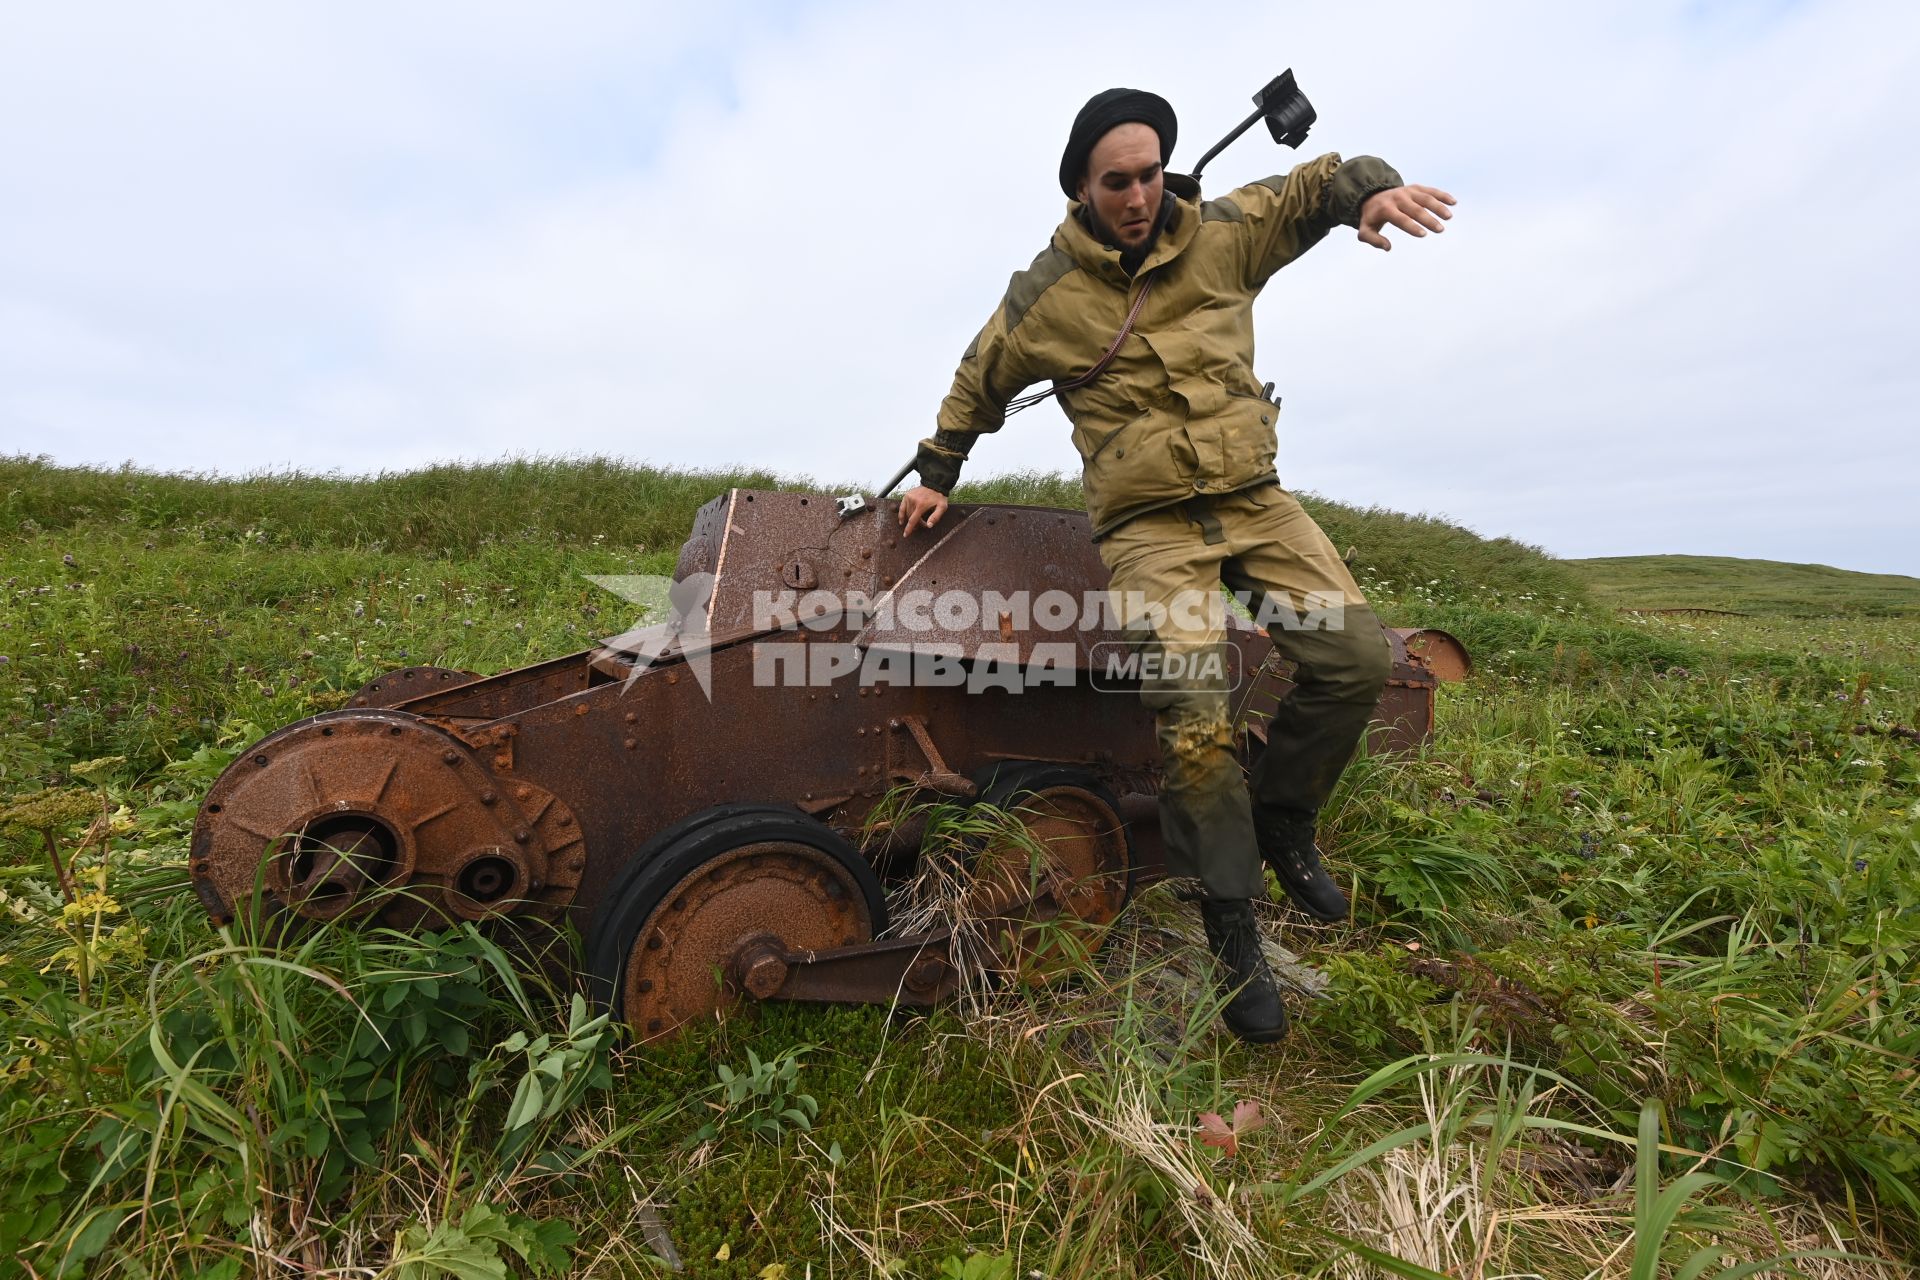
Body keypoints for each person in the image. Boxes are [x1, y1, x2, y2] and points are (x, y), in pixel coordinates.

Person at [895, 87, 1455, 1044]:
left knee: (1356, 657)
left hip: (1254, 504)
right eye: (1118, 181)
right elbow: (980, 373)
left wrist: (1369, 194)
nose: (1140, 195)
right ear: (1081, 187)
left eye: (1152, 173)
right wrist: (939, 469)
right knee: (1193, 719)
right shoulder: (1046, 292)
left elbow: (1314, 183)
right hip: (1152, 530)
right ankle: (1230, 924)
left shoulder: (1224, 233)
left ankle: (1283, 818)